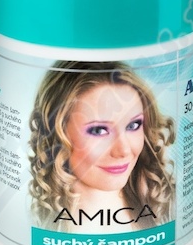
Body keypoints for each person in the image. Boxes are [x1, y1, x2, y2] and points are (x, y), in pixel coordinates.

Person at [28, 60, 175, 233]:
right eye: (99, 130)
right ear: (58, 136)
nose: (124, 150)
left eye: (133, 125)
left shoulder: (167, 207)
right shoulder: (34, 222)